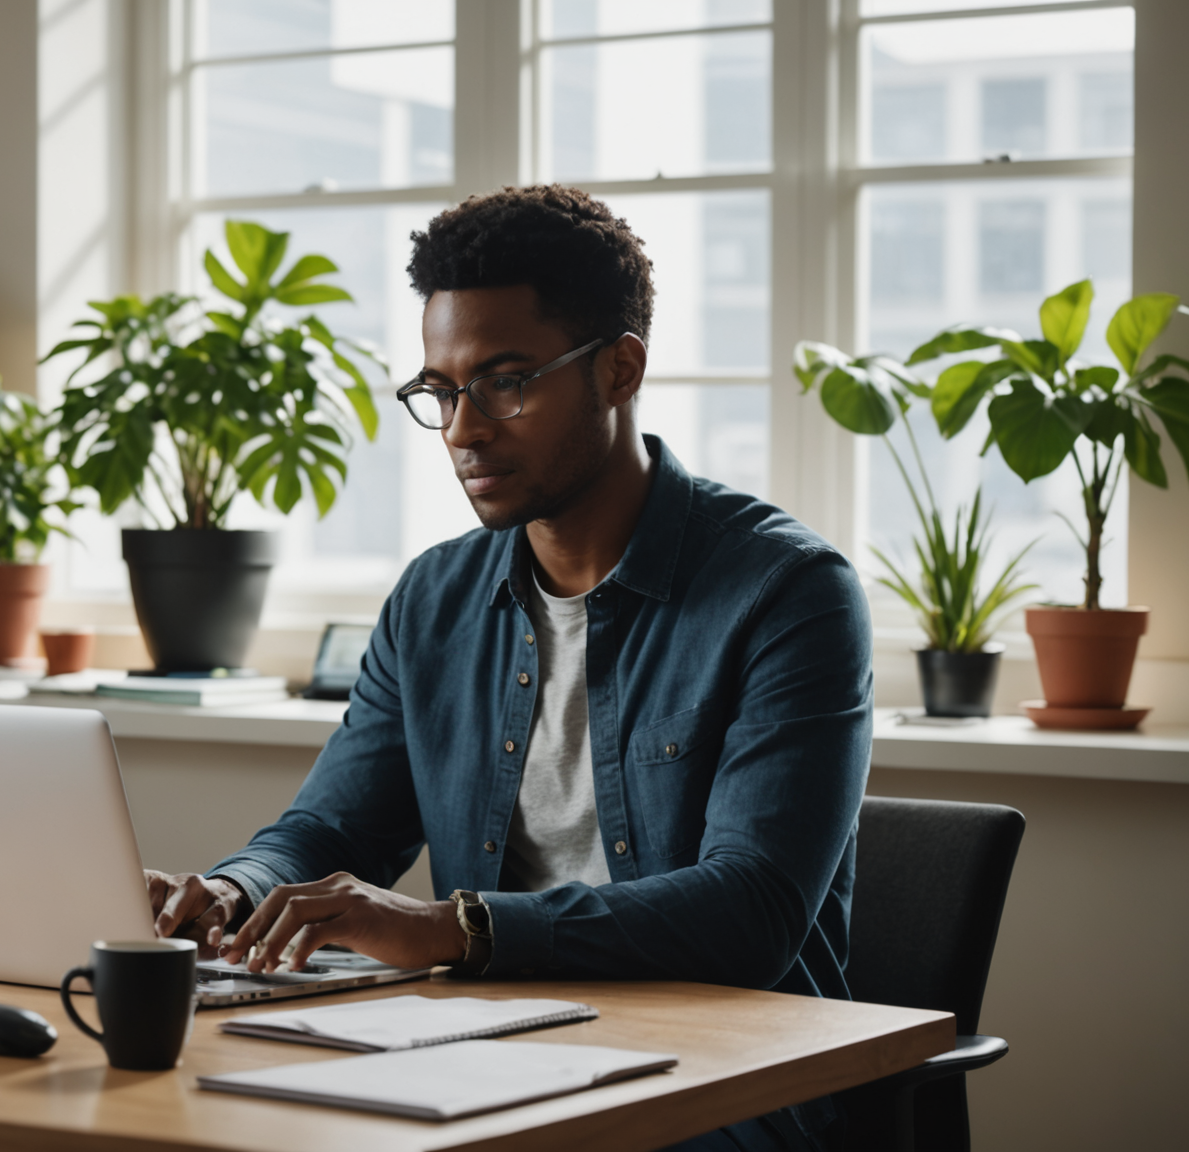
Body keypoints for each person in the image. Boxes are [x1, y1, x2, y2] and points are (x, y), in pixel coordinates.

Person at [144, 185, 871, 1152]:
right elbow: (333, 825)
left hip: (725, 1093)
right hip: (481, 1053)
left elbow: (753, 910)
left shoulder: (788, 592)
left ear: (621, 369)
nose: (463, 428)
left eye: (506, 380)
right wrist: (236, 891)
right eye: (441, 390)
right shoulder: (435, 598)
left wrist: (455, 928)